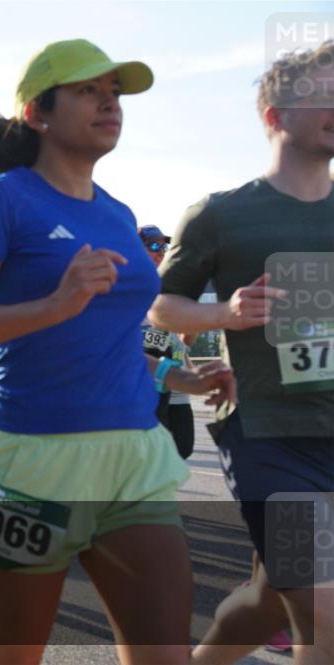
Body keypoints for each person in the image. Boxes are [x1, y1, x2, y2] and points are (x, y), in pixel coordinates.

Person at [0, 40, 238, 665]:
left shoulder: (120, 214)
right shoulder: (1, 197)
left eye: (115, 94)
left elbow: (116, 341)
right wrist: (53, 305)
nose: (110, 104)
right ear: (37, 113)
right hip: (30, 460)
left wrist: (185, 376)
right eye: (88, 91)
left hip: (132, 456)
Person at [149, 41, 334, 665]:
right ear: (274, 115)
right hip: (270, 434)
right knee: (323, 611)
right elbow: (163, 307)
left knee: (268, 600)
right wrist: (223, 314)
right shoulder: (222, 215)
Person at [138, 224, 196, 460]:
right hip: (146, 382)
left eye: (164, 246)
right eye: (153, 245)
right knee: (151, 451)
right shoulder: (128, 286)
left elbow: (179, 339)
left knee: (183, 447)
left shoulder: (172, 287)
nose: (161, 251)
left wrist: (190, 335)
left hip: (175, 380)